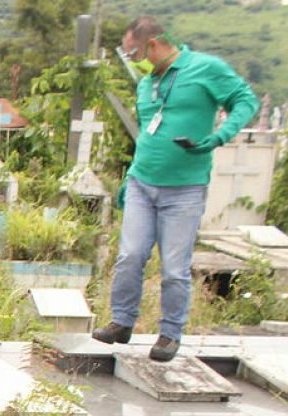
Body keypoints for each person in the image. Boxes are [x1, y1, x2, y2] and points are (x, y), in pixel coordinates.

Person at [92, 15, 258, 362]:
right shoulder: (147, 83)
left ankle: (169, 334)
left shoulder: (205, 68)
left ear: (152, 44)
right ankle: (122, 322)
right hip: (142, 183)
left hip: (184, 189)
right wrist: (130, 177)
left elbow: (246, 101)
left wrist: (219, 137)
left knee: (173, 267)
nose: (134, 60)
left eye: (134, 52)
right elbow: (149, 136)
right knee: (130, 255)